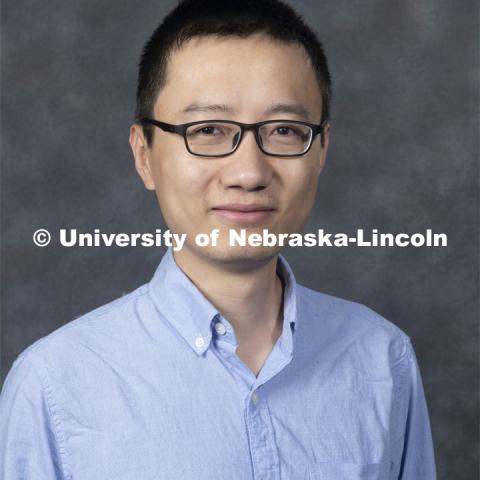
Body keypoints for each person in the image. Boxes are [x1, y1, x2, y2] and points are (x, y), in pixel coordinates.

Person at [0, 0, 437, 478]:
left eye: (285, 130)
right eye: (207, 129)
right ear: (144, 155)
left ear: (321, 150)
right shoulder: (55, 384)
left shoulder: (382, 357)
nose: (249, 173)